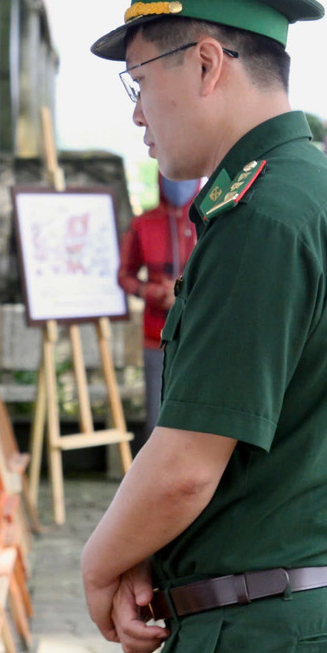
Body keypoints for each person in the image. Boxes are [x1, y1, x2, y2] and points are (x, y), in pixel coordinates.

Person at [80, 0, 327, 653]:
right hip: (306, 610)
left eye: (140, 79)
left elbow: (187, 466)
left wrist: (98, 560)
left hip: (270, 631)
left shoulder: (259, 216)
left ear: (204, 64)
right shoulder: (318, 194)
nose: (135, 111)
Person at [118, 174, 200, 448]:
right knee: (158, 416)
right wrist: (151, 292)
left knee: (201, 416)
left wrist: (183, 293)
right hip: (157, 336)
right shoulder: (142, 224)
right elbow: (125, 276)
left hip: (200, 334)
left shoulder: (212, 220)